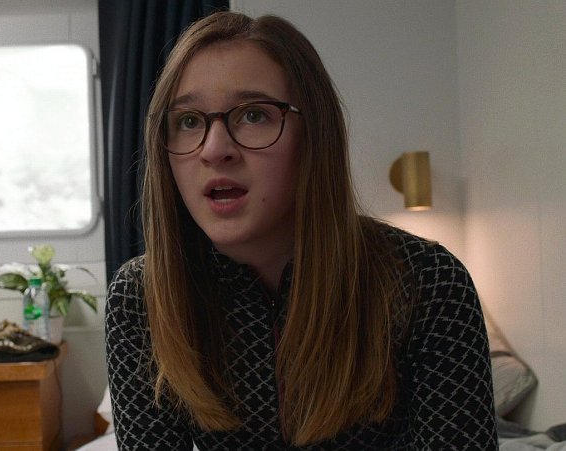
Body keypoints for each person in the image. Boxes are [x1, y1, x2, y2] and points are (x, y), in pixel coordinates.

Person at [105, 10, 498, 450]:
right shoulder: (142, 298)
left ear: (314, 133)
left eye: (254, 115)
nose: (214, 150)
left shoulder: (426, 281)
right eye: (189, 121)